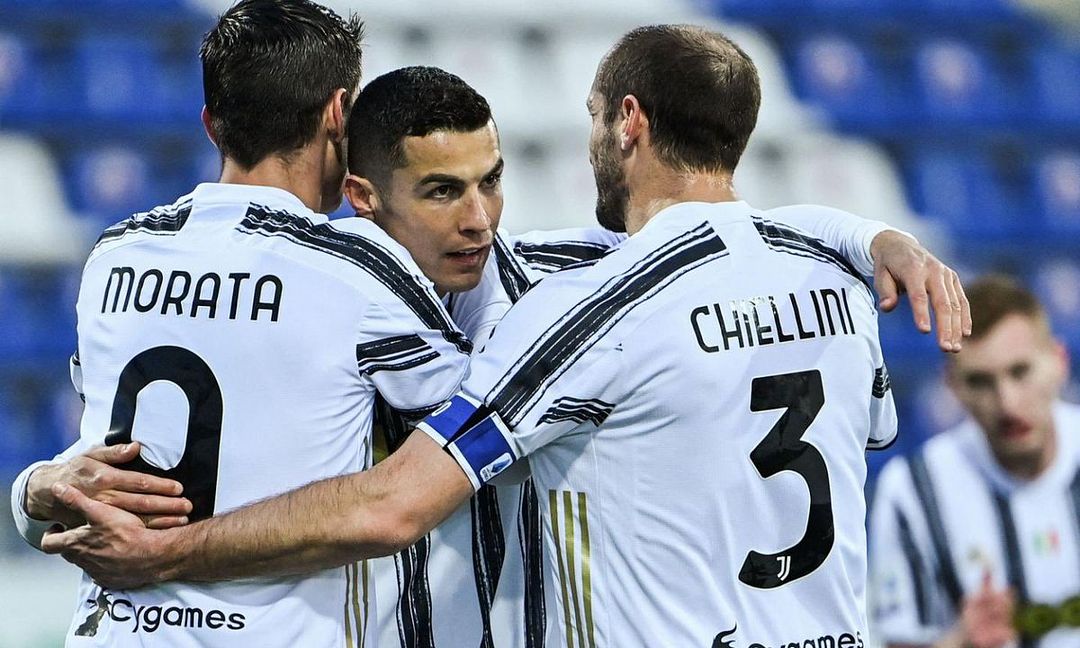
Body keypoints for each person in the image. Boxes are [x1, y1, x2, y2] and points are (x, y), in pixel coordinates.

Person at [37, 24, 972, 646]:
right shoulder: (363, 283)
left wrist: (867, 232)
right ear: (361, 191)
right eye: (443, 191)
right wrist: (42, 487)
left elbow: (692, 251)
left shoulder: (546, 283)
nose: (481, 219)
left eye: (492, 181)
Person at [6, 2, 482, 646]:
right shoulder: (358, 268)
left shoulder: (116, 254)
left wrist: (33, 486)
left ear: (211, 124)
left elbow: (92, 462)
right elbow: (475, 437)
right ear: (340, 113)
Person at [869, 275, 1079, 648]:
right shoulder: (914, 491)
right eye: (981, 382)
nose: (1007, 403)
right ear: (952, 386)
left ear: (1059, 362)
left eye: (1020, 371)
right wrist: (960, 642)